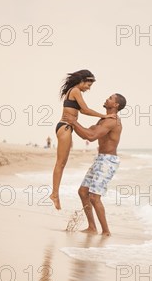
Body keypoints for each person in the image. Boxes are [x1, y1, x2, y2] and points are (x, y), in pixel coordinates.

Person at [50, 70, 117, 210]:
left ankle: (55, 194)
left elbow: (80, 111)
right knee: (61, 163)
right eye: (88, 84)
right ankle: (54, 194)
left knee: (62, 163)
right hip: (65, 127)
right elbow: (85, 110)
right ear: (82, 81)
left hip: (66, 127)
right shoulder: (75, 90)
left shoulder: (73, 91)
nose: (89, 88)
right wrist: (104, 116)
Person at [70, 93, 126, 236]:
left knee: (94, 197)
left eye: (110, 98)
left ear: (116, 105)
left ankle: (106, 232)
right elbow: (86, 134)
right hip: (100, 159)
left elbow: (91, 136)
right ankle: (92, 228)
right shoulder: (104, 119)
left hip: (108, 161)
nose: (106, 99)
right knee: (83, 192)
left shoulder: (112, 121)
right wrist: (73, 123)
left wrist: (74, 122)